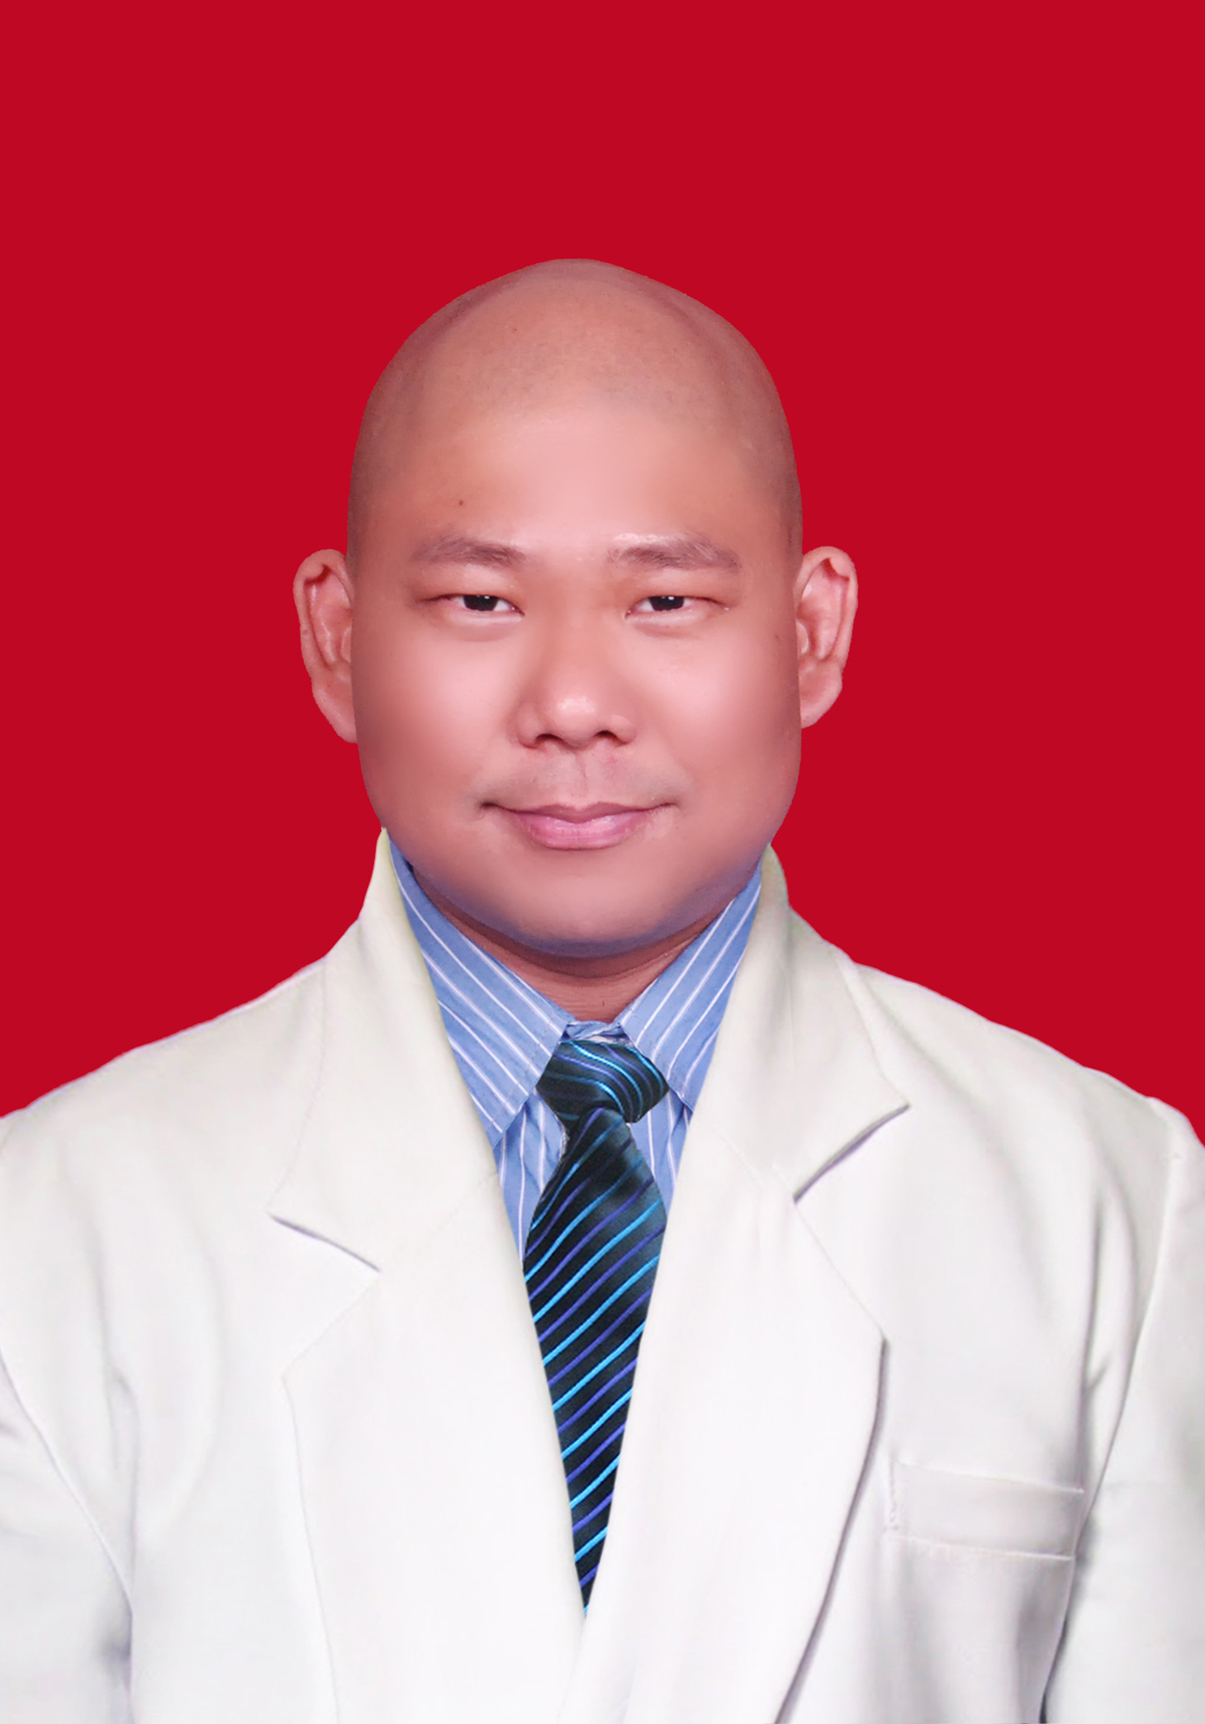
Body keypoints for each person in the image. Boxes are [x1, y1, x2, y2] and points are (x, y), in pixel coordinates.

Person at [0, 259, 1201, 1724]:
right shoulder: (53, 1224)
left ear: (812, 633)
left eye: (667, 598)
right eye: (480, 598)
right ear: (336, 638)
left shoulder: (1108, 1200)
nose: (572, 703)